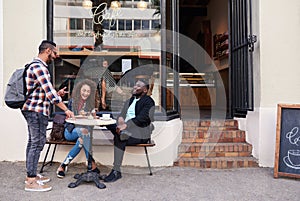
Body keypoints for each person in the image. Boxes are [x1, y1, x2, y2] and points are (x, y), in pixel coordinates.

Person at [21, 40, 74, 192]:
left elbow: (44, 93)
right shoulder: (39, 67)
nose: (56, 56)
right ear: (48, 51)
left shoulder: (37, 66)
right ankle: (31, 181)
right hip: (36, 111)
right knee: (36, 143)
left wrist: (58, 94)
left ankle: (31, 174)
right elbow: (50, 95)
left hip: (35, 109)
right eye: (55, 53)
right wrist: (66, 109)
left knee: (34, 142)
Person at [103, 79, 155, 182]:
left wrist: (126, 125)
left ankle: (116, 171)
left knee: (120, 136)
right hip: (125, 130)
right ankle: (115, 171)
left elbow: (143, 118)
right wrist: (120, 119)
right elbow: (122, 114)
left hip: (140, 133)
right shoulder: (130, 100)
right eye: (135, 84)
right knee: (109, 124)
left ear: (145, 90)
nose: (135, 87)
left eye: (138, 86)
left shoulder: (149, 101)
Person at [56, 79, 100, 178]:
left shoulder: (90, 103)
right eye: (84, 90)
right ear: (79, 90)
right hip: (70, 131)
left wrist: (93, 115)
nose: (86, 93)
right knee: (85, 133)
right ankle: (91, 163)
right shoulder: (73, 101)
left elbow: (93, 117)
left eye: (88, 91)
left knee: (82, 140)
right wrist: (81, 115)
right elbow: (72, 118)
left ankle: (63, 165)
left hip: (83, 132)